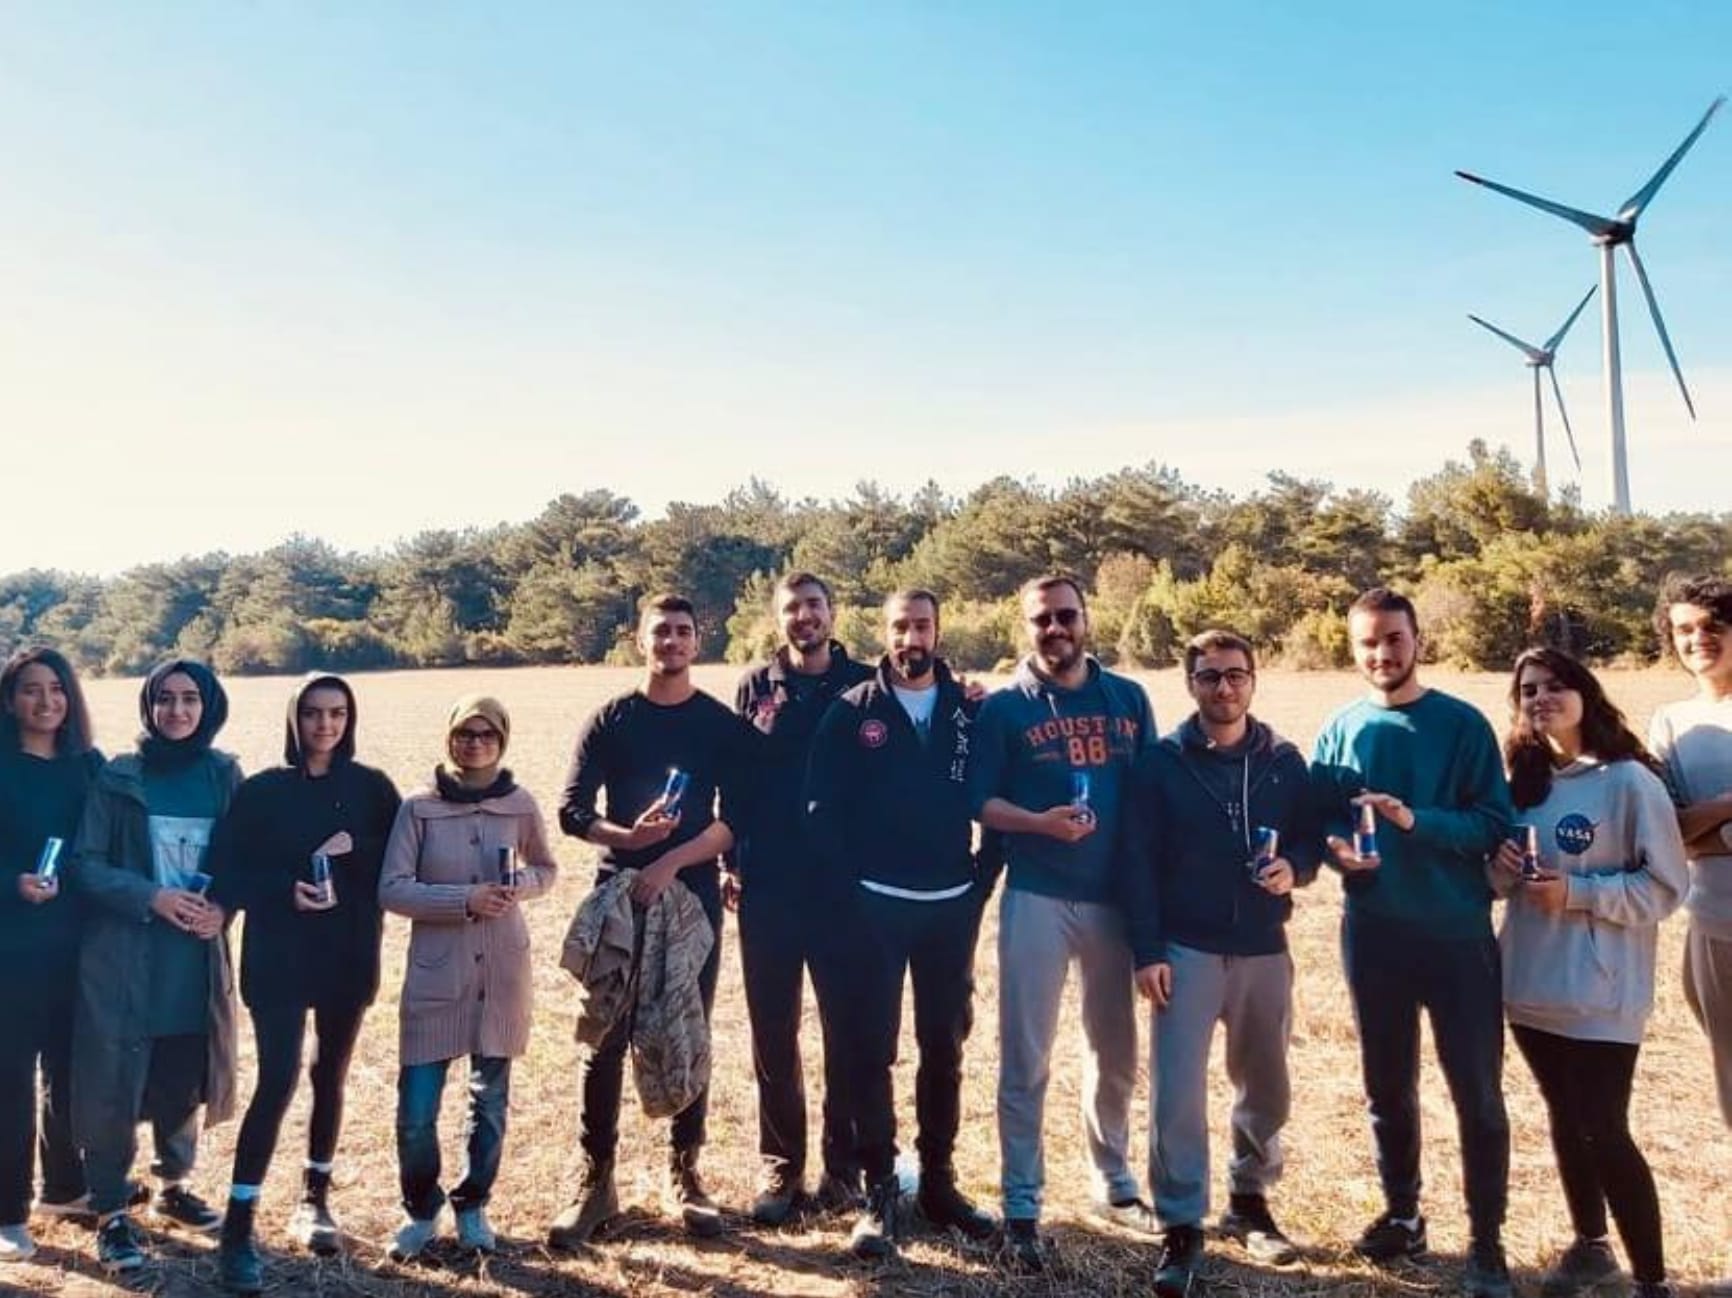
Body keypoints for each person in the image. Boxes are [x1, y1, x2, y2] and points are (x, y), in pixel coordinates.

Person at [1311, 588, 1514, 1298]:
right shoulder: (1339, 729)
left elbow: (1492, 823)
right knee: (1387, 1088)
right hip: (1374, 936)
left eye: (1393, 639)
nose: (1381, 654)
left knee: (1477, 1094)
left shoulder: (1461, 725)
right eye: (1367, 642)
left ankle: (1487, 1243)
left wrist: (1413, 821)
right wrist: (1338, 853)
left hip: (1457, 936)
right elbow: (1320, 823)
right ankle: (1403, 1215)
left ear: (1417, 639)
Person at [1120, 630, 1320, 1296]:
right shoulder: (1161, 763)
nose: (1224, 687)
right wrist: (1147, 951)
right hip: (1186, 948)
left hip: (1265, 947)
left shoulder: (1283, 761)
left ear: (1253, 680)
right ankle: (1182, 1223)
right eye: (1210, 676)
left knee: (1266, 1085)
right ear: (1191, 685)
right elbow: (1136, 864)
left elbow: (1310, 838)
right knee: (1177, 1092)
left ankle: (1249, 1200)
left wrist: (1296, 867)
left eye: (1235, 675)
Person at [968, 573, 1158, 1269]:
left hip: (1112, 898)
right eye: (1042, 619)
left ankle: (1114, 1180)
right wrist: (1039, 824)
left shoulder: (1128, 698)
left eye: (1065, 616)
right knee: (1026, 1057)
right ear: (1026, 626)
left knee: (1115, 1050)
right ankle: (1022, 1202)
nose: (1055, 629)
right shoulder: (1004, 707)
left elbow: (1149, 798)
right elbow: (980, 803)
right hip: (1037, 894)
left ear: (1086, 619)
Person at [549, 594, 747, 1246]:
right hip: (619, 897)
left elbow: (736, 819)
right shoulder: (612, 720)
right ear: (641, 640)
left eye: (683, 631)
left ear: (698, 642)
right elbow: (573, 811)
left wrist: (671, 861)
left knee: (687, 1029)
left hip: (692, 900)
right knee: (603, 1038)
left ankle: (686, 1175)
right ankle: (596, 1182)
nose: (672, 641)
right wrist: (628, 841)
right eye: (661, 631)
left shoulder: (717, 725)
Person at [806, 589, 997, 1258]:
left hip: (951, 906)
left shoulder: (973, 710)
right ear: (882, 633)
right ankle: (881, 1189)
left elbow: (997, 796)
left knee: (944, 1047)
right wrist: (851, 890)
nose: (910, 638)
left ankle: (939, 1184)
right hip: (876, 908)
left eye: (921, 626)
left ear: (938, 631)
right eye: (899, 627)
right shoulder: (851, 710)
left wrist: (981, 883)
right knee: (872, 1049)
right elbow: (820, 810)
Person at [1491, 647, 1685, 1298]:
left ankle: (1651, 1280)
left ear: (1586, 694)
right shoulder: (1521, 782)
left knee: (1605, 1127)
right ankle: (1590, 1246)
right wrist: (1499, 868)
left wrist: (1576, 893)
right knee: (1564, 1117)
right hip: (1530, 985)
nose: (1540, 698)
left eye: (1555, 686)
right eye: (1528, 690)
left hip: (1603, 993)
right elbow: (1496, 882)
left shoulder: (1629, 782)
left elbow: (1665, 887)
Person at [207, 675, 402, 1291]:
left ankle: (314, 1199)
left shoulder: (373, 789)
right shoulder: (262, 791)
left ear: (350, 719)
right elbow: (227, 871)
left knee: (329, 1075)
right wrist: (281, 891)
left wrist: (353, 850)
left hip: (348, 953)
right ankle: (239, 1226)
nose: (325, 725)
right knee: (278, 1078)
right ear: (295, 719)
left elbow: (401, 860)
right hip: (279, 956)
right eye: (314, 713)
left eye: (337, 713)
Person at [69, 659, 243, 1276]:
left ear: (208, 705)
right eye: (164, 699)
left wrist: (224, 907)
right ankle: (112, 1211)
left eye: (189, 698)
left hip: (194, 961)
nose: (177, 710)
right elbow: (84, 864)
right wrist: (152, 896)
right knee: (113, 1082)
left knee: (184, 1075)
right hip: (124, 960)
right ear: (149, 706)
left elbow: (244, 858)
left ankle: (173, 1184)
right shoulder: (120, 776)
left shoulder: (224, 776)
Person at [378, 695, 557, 1262]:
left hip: (502, 973)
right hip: (436, 976)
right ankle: (420, 1209)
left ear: (502, 740)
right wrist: (465, 899)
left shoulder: (519, 803)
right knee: (416, 1114)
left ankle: (473, 1202)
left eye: (486, 734)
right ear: (449, 738)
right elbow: (392, 889)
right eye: (465, 733)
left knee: (490, 1104)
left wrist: (522, 886)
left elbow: (546, 868)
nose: (474, 743)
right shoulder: (418, 808)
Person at [731, 572, 872, 1224]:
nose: (804, 616)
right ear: (779, 617)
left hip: (845, 890)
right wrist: (731, 862)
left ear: (832, 612)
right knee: (773, 1032)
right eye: (792, 608)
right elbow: (737, 784)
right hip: (769, 886)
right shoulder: (754, 687)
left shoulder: (868, 683)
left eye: (814, 604)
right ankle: (781, 1166)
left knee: (848, 1032)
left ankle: (844, 1171)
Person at [0, 648, 104, 1263]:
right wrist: (11, 884)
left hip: (78, 946)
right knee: (10, 1080)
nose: (46, 702)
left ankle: (65, 1189)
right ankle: (7, 1212)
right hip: (10, 949)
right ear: (9, 700)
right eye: (31, 690)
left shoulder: (88, 766)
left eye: (57, 689)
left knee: (68, 1073)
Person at [1646, 578, 1732, 1161]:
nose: (1698, 638)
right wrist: (1727, 807)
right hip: (1713, 925)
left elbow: (1688, 832)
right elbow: (1666, 831)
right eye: (1684, 629)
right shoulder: (1672, 722)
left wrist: (1705, 831)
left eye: (1713, 625)